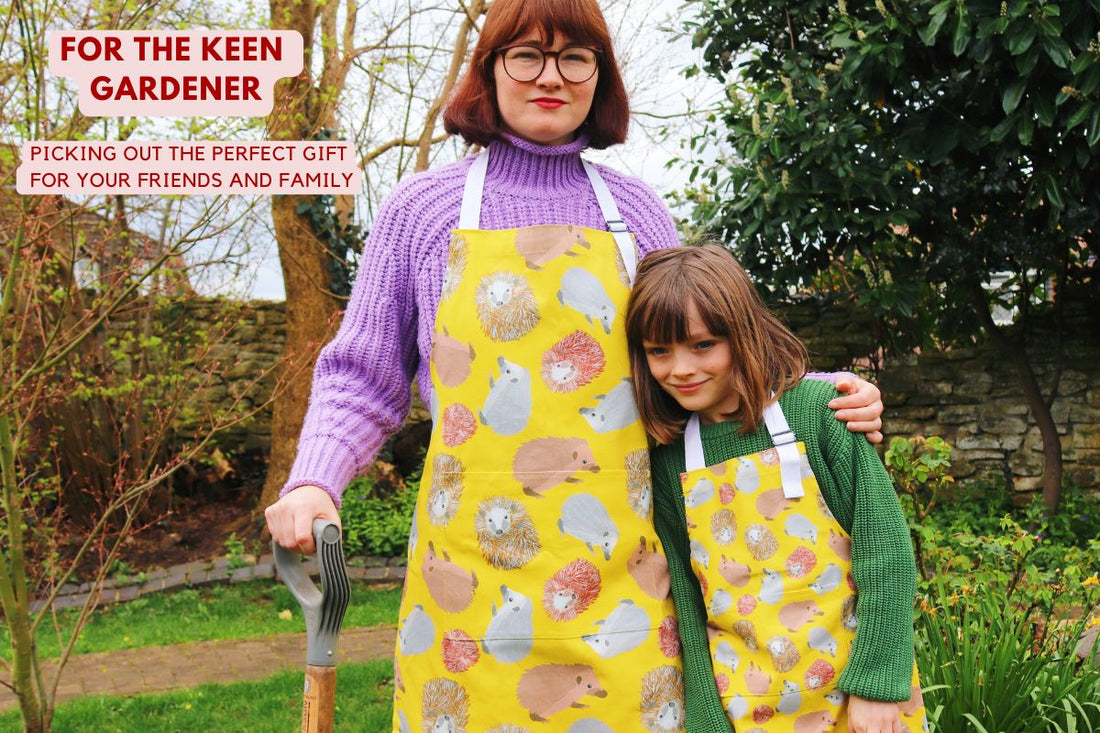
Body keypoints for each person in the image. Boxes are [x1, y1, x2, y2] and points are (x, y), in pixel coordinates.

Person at [264, 1, 885, 729]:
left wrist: (816, 397)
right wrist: (314, 479)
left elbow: (697, 364)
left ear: (600, 75)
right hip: (465, 599)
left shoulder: (637, 216)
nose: (549, 76)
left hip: (623, 600)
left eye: (574, 57)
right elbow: (361, 377)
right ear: (489, 70)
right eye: (526, 55)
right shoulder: (423, 211)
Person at [625, 245, 925, 733]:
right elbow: (685, 593)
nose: (679, 368)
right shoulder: (668, 460)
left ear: (741, 333)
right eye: (659, 351)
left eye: (702, 346)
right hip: (749, 712)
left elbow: (884, 548)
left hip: (859, 704)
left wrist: (877, 682)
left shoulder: (819, 414)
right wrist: (707, 719)